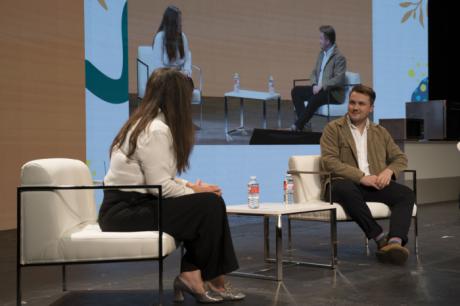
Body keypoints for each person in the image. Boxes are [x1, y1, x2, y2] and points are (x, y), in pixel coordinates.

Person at [98, 68, 245, 303]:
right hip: (124, 212)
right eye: (187, 98)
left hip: (132, 205)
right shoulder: (156, 130)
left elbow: (158, 177)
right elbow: (163, 188)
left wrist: (191, 187)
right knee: (209, 204)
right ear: (177, 100)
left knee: (208, 202)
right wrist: (195, 192)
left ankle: (196, 276)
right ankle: (208, 279)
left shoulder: (148, 123)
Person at [320, 84, 415, 265]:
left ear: (371, 108)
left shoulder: (380, 132)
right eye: (352, 102)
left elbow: (400, 158)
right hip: (340, 184)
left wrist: (389, 171)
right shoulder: (334, 128)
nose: (355, 107)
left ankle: (394, 243)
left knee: (405, 194)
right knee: (348, 188)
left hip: (371, 185)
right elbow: (329, 161)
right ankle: (380, 239)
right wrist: (361, 176)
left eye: (361, 104)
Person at [291, 25, 346, 131]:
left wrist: (322, 85)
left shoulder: (339, 57)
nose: (319, 41)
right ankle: (305, 124)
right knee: (296, 91)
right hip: (318, 89)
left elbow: (339, 79)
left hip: (332, 93)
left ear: (328, 41)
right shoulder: (321, 54)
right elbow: (314, 73)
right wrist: (314, 84)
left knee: (315, 98)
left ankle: (298, 125)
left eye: (321, 38)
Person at [151, 5, 191, 76]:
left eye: (180, 21)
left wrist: (187, 71)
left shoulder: (183, 37)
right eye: (178, 22)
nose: (180, 24)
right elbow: (157, 66)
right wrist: (174, 74)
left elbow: (187, 60)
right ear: (171, 24)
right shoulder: (160, 38)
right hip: (164, 78)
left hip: (180, 77)